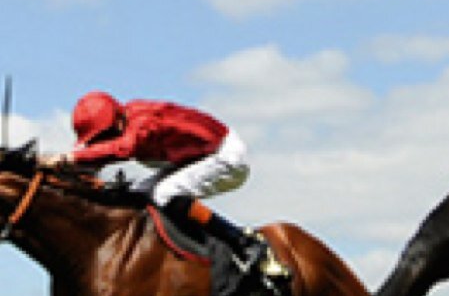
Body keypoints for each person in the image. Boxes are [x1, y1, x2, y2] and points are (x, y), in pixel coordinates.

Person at [47, 91, 288, 285]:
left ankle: (244, 242)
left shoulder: (141, 124)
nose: (101, 143)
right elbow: (99, 157)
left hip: (225, 157)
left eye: (104, 137)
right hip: (194, 158)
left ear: (119, 123)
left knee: (165, 194)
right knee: (135, 194)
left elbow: (123, 149)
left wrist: (69, 158)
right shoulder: (121, 123)